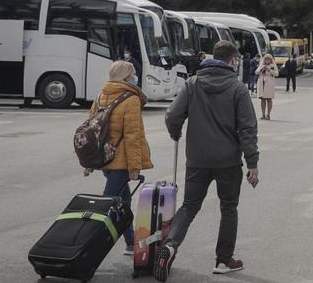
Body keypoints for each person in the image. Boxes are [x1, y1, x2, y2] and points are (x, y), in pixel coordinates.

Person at [158, 40, 260, 280]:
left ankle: (170, 245)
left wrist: (176, 131)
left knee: (190, 206)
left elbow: (173, 114)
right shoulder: (238, 88)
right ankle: (224, 260)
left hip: (197, 158)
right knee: (228, 208)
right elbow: (247, 128)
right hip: (228, 160)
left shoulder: (193, 83)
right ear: (233, 60)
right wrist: (252, 162)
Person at [83, 60, 152, 256]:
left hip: (106, 160)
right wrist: (134, 168)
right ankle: (87, 246)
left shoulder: (100, 97)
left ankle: (131, 243)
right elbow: (132, 137)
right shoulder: (130, 99)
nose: (135, 77)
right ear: (126, 77)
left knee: (124, 203)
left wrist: (90, 162)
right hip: (121, 163)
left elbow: (92, 133)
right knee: (107, 206)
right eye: (133, 74)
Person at [256, 54, 278, 121]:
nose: (267, 60)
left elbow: (277, 74)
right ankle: (263, 114)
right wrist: (262, 69)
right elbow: (256, 72)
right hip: (262, 82)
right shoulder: (261, 65)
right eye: (266, 59)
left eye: (268, 59)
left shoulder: (273, 66)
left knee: (269, 99)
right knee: (262, 99)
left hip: (269, 83)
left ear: (271, 60)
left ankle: (268, 114)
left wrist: (269, 70)